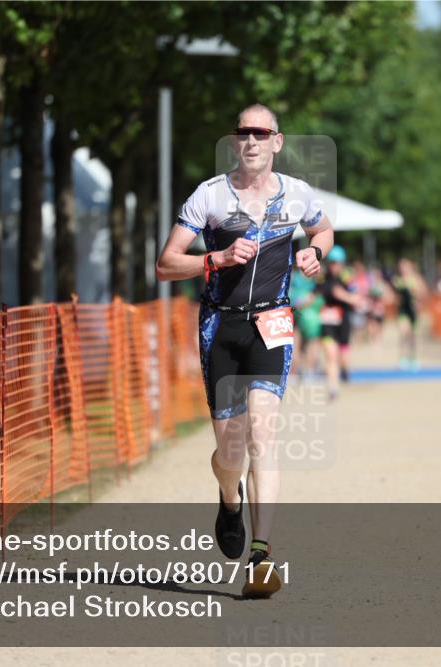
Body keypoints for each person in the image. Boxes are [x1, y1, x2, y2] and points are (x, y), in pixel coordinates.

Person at [155, 103, 334, 598]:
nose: (251, 141)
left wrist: (314, 252)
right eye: (243, 133)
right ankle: (228, 498)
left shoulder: (296, 195)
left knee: (263, 434)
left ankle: (261, 555)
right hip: (221, 327)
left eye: (261, 133)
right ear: (235, 141)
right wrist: (214, 258)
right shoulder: (210, 197)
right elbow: (166, 265)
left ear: (277, 141)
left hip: (272, 324)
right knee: (229, 451)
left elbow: (323, 229)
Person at [319, 246, 361, 400]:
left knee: (343, 358)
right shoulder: (323, 278)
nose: (333, 265)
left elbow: (357, 299)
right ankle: (333, 388)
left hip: (344, 321)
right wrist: (297, 305)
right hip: (327, 321)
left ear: (342, 263)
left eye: (336, 263)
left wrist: (342, 295)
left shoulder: (347, 278)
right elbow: (313, 293)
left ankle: (345, 371)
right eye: (331, 262)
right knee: (330, 355)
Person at [288, 263, 324, 380]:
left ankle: (293, 373)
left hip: (294, 313)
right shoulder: (313, 279)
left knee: (295, 345)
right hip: (308, 315)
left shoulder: (294, 278)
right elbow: (312, 298)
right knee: (311, 344)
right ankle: (309, 372)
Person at [391, 258, 427, 369]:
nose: (403, 269)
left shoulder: (416, 279)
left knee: (411, 335)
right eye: (401, 267)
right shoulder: (397, 280)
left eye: (405, 267)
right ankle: (402, 359)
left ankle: (412, 358)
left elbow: (423, 293)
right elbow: (394, 296)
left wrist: (415, 293)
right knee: (403, 333)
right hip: (402, 310)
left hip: (413, 311)